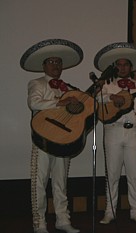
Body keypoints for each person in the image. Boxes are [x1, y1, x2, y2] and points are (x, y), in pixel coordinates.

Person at [20, 39, 83, 233]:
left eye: (59, 62)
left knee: (60, 181)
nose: (56, 65)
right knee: (39, 182)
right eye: (52, 62)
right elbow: (34, 103)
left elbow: (79, 110)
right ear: (44, 65)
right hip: (43, 140)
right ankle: (39, 223)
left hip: (63, 140)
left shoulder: (68, 87)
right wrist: (60, 102)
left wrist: (77, 105)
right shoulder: (37, 83)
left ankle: (62, 220)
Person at [93, 42, 136, 224]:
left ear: (131, 67)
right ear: (115, 67)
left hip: (134, 132)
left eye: (125, 65)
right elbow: (97, 97)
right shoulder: (107, 85)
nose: (122, 68)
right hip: (113, 131)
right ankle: (109, 211)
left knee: (134, 173)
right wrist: (112, 96)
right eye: (118, 65)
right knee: (112, 174)